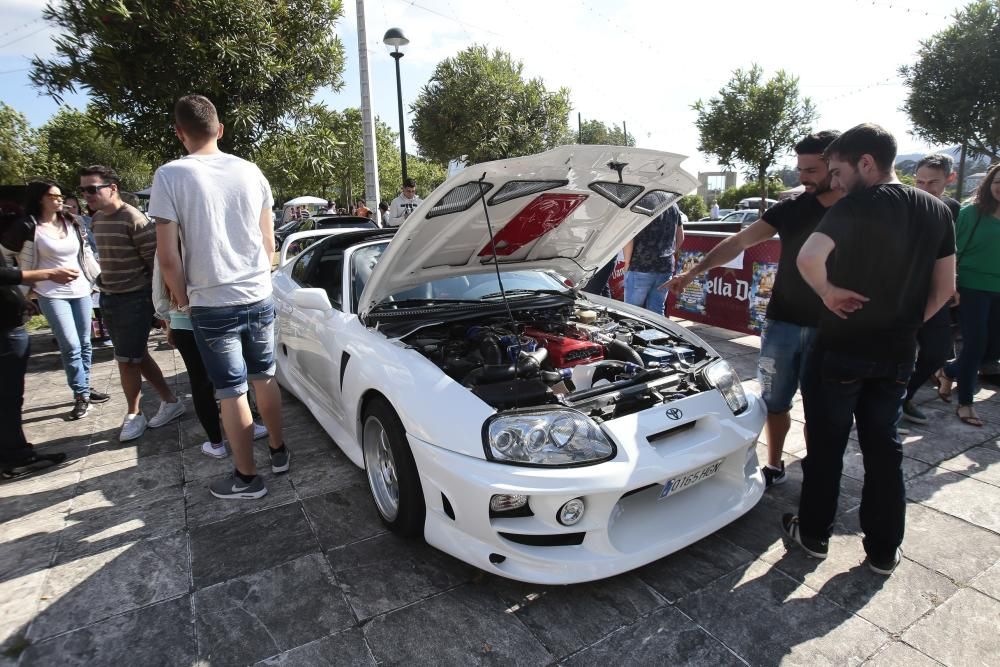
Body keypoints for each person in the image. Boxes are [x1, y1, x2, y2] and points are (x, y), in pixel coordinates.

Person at [784, 123, 955, 575]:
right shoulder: (937, 210)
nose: (835, 182)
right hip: (898, 352)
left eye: (838, 171)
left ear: (866, 163)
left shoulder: (856, 204)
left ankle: (814, 534)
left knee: (827, 445)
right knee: (885, 449)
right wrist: (908, 324)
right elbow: (945, 287)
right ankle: (882, 550)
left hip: (840, 346)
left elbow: (808, 258)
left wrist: (827, 293)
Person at [668, 131, 843, 488]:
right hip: (782, 324)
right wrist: (692, 273)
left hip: (833, 327)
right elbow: (739, 241)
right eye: (800, 169)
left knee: (822, 409)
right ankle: (775, 464)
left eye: (811, 169)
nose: (803, 177)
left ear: (836, 165)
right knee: (774, 401)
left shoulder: (858, 209)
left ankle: (817, 469)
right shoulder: (791, 208)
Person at [151, 94, 287, 500]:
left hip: (212, 300)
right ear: (220, 129)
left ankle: (247, 478)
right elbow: (268, 243)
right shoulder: (251, 171)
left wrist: (181, 299)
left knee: (230, 391)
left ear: (179, 133)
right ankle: (279, 453)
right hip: (258, 292)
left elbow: (167, 254)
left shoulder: (170, 175)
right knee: (264, 375)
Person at [81, 165, 184, 441]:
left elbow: (156, 265)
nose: (87, 195)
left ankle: (133, 414)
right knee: (135, 355)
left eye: (92, 189)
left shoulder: (134, 219)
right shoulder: (98, 220)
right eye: (83, 190)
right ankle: (170, 401)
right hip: (109, 297)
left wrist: (162, 310)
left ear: (111, 187)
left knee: (126, 360)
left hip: (134, 298)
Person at [2, 181, 107, 420]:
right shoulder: (28, 226)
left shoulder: (73, 221)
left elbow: (86, 253)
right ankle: (80, 394)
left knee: (84, 342)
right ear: (40, 198)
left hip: (81, 289)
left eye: (61, 195)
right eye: (53, 196)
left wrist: (98, 278)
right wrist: (22, 284)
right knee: (70, 344)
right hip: (50, 292)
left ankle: (85, 387)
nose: (59, 200)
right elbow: (5, 255)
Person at [153, 258, 268, 458]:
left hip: (183, 319)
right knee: (235, 375)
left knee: (200, 382)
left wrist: (169, 320)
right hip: (222, 312)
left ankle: (217, 444)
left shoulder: (170, 232)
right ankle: (249, 427)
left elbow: (162, 277)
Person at [1, 247, 78, 478]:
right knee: (8, 397)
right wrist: (44, 274)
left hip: (9, 320)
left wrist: (17, 297)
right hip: (4, 329)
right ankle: (16, 457)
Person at [938, 162, 1000, 427]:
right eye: (998, 182)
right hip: (972, 287)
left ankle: (949, 370)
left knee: (992, 348)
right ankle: (965, 403)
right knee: (975, 344)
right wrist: (954, 285)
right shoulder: (971, 213)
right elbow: (954, 252)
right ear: (989, 184)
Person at [901, 153, 961, 423]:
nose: (925, 189)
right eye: (920, 182)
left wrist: (953, 281)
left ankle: (905, 395)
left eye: (932, 183)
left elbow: (954, 252)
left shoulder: (954, 209)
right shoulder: (902, 206)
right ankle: (888, 403)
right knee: (897, 349)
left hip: (935, 291)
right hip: (900, 290)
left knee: (937, 350)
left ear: (950, 178)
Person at [622, 204, 683, 314]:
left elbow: (629, 237)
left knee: (631, 314)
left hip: (640, 265)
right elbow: (681, 237)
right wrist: (669, 254)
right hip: (665, 266)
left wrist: (627, 263)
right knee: (657, 311)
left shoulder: (641, 201)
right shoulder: (673, 204)